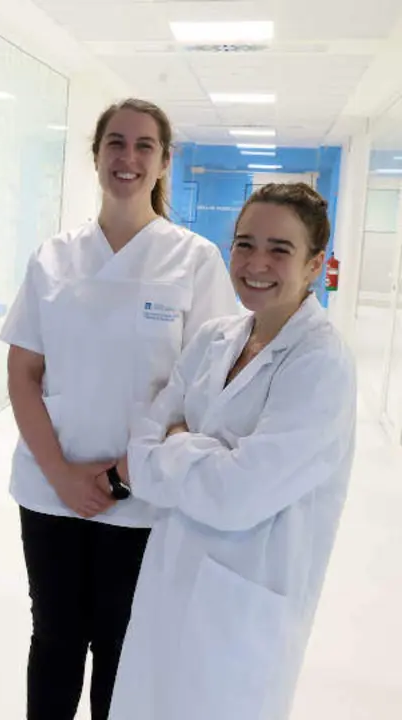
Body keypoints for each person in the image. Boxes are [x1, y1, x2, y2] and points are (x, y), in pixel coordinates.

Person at [0, 98, 240, 720]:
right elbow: (23, 373)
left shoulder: (194, 260)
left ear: (163, 161)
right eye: (115, 143)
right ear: (97, 154)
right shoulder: (54, 257)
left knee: (121, 647)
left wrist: (119, 476)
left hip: (144, 497)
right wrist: (61, 475)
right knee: (54, 638)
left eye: (143, 146)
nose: (127, 158)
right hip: (51, 490)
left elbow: (204, 392)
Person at [110, 183, 356, 720]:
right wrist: (206, 453)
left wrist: (177, 441)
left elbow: (237, 495)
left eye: (279, 249)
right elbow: (140, 449)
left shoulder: (321, 364)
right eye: (245, 244)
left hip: (244, 608)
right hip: (171, 578)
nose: (255, 263)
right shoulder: (214, 339)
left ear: (315, 265)